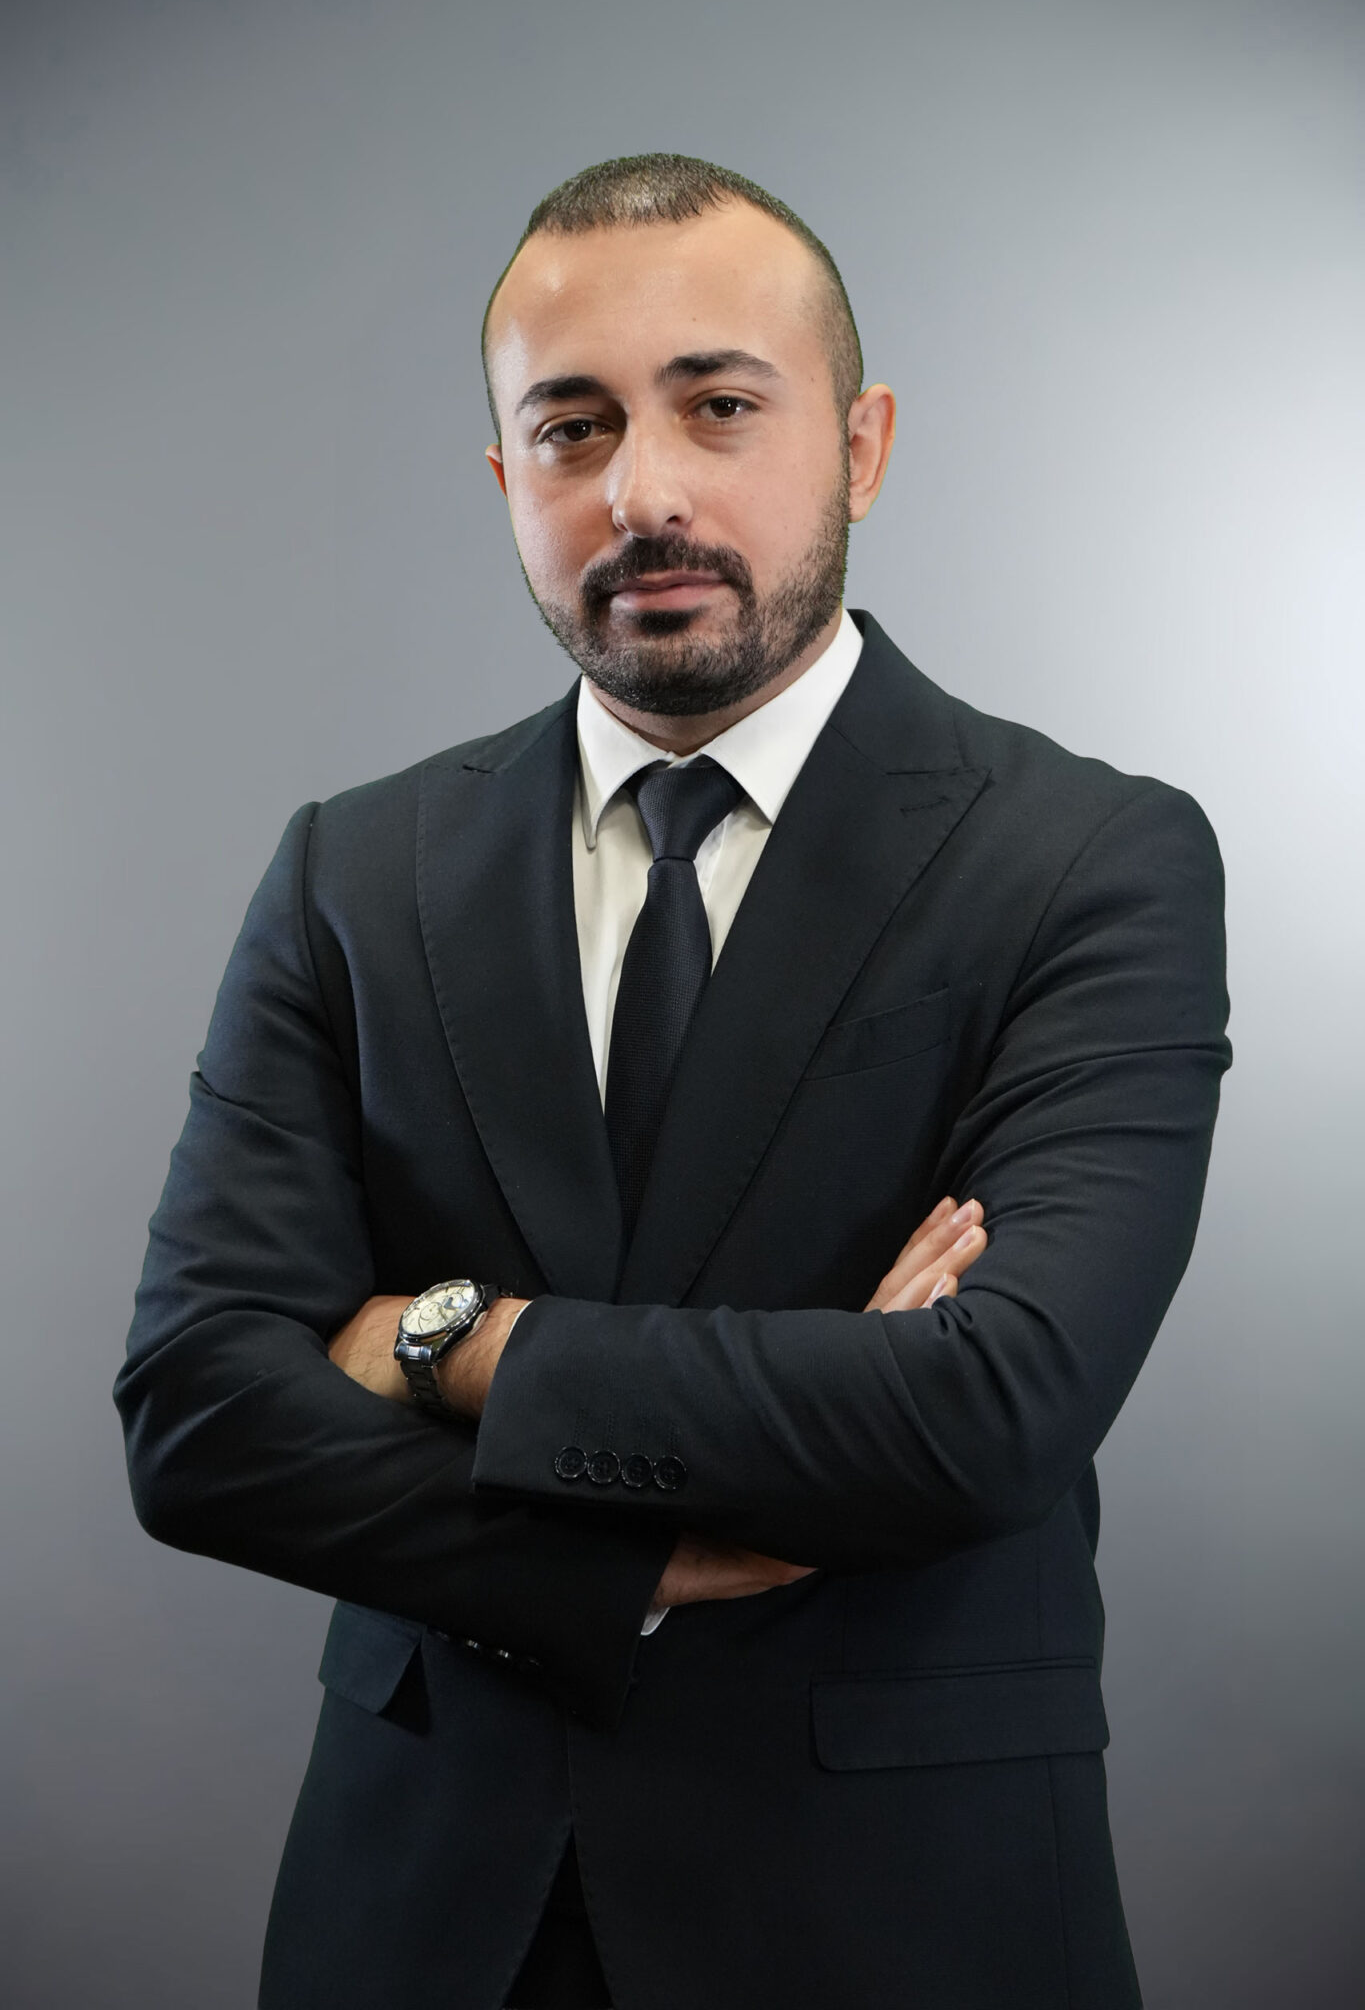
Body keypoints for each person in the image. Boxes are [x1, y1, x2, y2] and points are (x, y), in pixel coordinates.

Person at [115, 153, 1232, 2010]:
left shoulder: (1088, 858)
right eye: (572, 429)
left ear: (860, 446)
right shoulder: (353, 869)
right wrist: (615, 1565)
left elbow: (986, 1413)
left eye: (718, 404)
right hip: (426, 1923)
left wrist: (439, 1342)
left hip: (901, 1921)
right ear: (505, 479)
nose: (642, 491)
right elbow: (200, 1415)